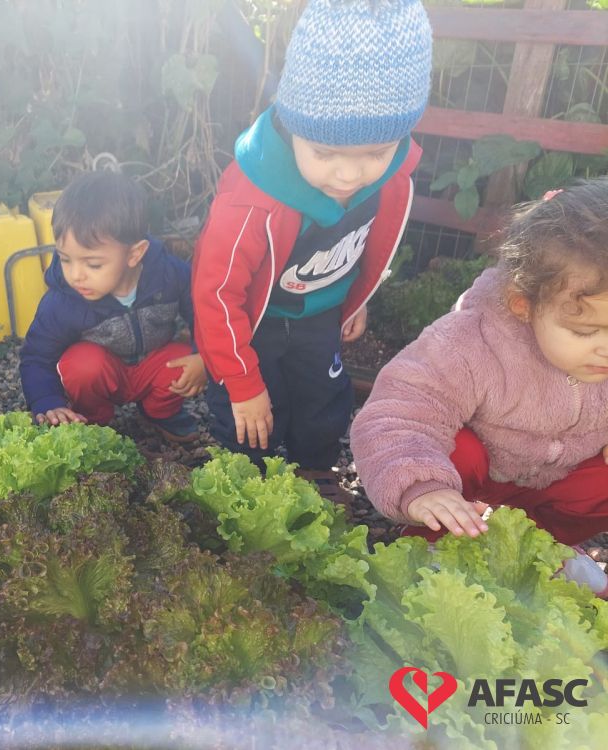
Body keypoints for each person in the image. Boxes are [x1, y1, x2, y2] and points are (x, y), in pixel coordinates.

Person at [192, 0, 432, 472]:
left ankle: (317, 472)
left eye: (375, 153)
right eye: (324, 152)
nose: (349, 175)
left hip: (319, 316)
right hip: (254, 325)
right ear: (292, 125)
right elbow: (215, 296)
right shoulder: (249, 201)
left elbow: (359, 246)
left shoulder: (389, 177)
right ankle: (247, 485)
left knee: (324, 403)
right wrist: (242, 382)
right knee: (253, 420)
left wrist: (356, 299)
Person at [351, 180, 608, 597]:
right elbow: (398, 412)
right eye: (584, 330)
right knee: (460, 448)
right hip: (474, 489)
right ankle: (437, 543)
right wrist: (422, 487)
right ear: (523, 304)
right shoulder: (470, 342)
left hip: (555, 486)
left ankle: (543, 549)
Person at [19, 170, 205, 441]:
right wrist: (46, 400)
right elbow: (36, 356)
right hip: (101, 371)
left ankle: (160, 412)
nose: (76, 275)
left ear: (135, 254)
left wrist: (203, 356)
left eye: (93, 264)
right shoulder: (62, 301)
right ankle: (93, 421)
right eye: (66, 259)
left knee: (186, 358)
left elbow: (203, 312)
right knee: (81, 366)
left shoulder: (167, 274)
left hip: (152, 363)